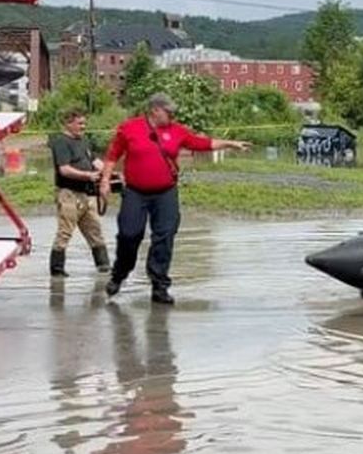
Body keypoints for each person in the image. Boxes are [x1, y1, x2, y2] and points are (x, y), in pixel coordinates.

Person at [99, 92, 251, 303]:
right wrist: (105, 181)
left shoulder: (176, 130)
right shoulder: (129, 128)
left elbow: (201, 143)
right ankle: (119, 273)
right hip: (135, 192)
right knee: (129, 235)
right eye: (168, 111)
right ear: (155, 110)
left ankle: (159, 285)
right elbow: (112, 155)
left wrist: (230, 144)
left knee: (164, 236)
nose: (172, 115)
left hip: (165, 192)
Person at [48, 108, 110, 277]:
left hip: (86, 195)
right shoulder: (61, 142)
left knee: (95, 230)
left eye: (84, 123)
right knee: (65, 232)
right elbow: (64, 169)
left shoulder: (83, 141)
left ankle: (104, 266)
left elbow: (94, 160)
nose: (83, 126)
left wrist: (108, 172)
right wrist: (87, 175)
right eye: (80, 123)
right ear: (69, 124)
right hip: (68, 194)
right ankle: (57, 270)